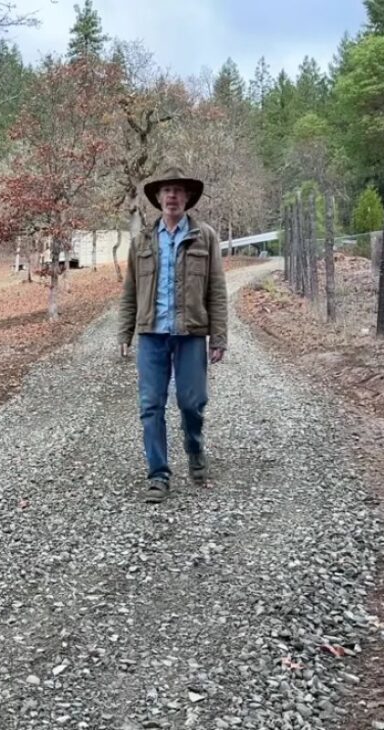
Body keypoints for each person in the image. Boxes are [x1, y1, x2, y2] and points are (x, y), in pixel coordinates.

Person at [117, 167, 228, 503]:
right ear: (158, 197)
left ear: (188, 197)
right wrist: (124, 332)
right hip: (151, 334)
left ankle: (194, 447)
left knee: (192, 403)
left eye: (178, 190)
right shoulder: (142, 240)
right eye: (167, 190)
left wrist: (218, 337)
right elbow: (130, 291)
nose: (172, 196)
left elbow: (217, 291)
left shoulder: (205, 237)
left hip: (190, 334)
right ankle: (158, 475)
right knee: (150, 406)